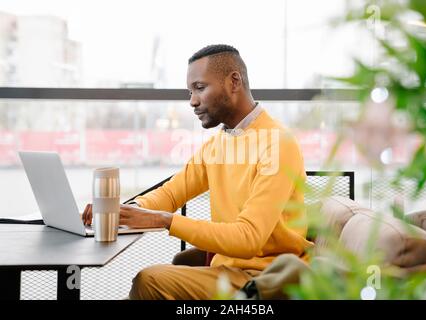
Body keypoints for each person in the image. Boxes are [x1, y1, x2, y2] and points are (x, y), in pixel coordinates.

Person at [82, 44, 313, 300]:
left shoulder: (278, 144)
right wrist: (123, 211)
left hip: (262, 280)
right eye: (190, 91)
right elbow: (171, 194)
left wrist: (164, 220)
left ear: (233, 81)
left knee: (150, 280)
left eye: (200, 88)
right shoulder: (220, 143)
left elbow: (249, 238)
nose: (192, 101)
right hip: (227, 271)